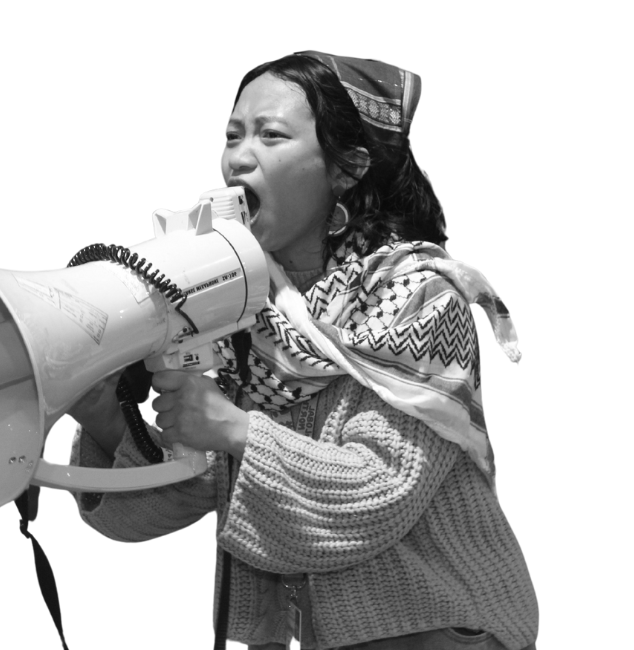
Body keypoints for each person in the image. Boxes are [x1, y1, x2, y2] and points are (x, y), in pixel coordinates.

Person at [66, 51, 539, 650]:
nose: (238, 157)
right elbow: (174, 500)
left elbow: (377, 496)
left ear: (346, 169)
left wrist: (235, 429)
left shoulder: (418, 297)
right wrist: (101, 410)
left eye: (271, 136)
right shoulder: (231, 310)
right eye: (233, 135)